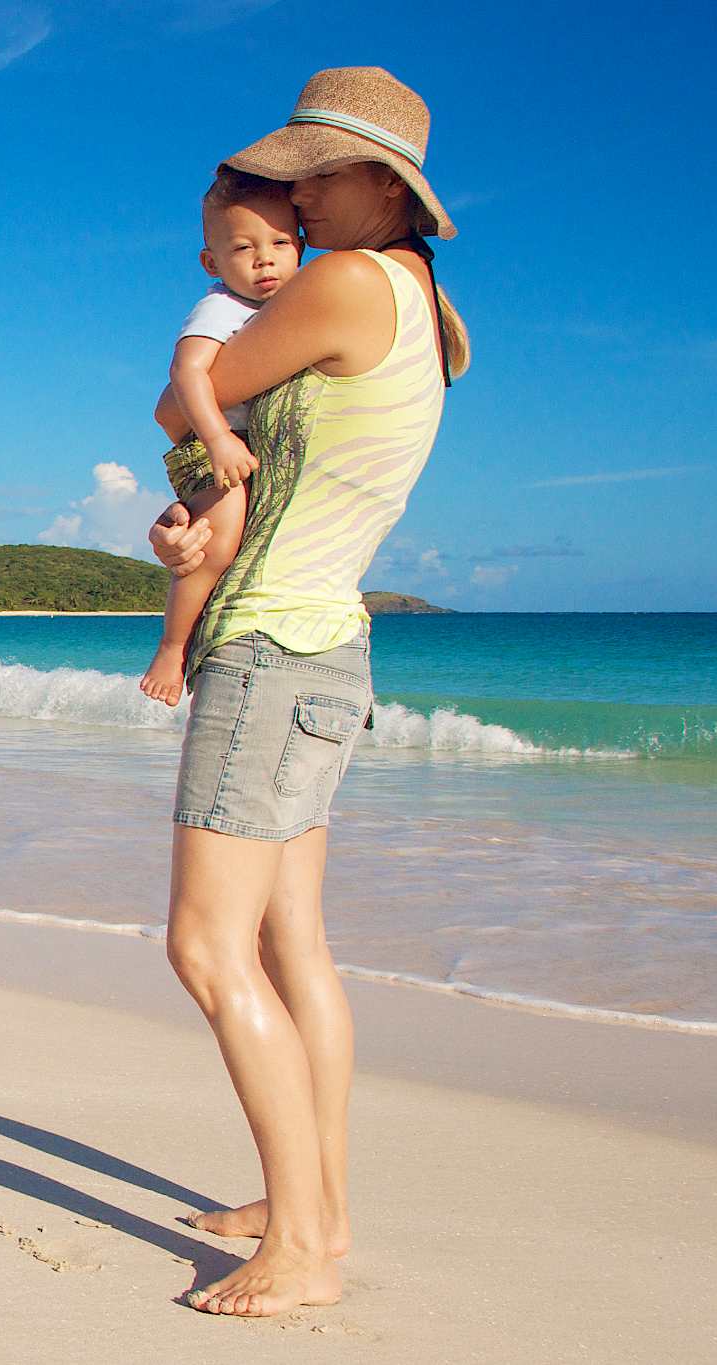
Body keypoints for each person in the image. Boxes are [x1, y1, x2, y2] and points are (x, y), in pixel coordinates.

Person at [145, 66, 471, 1318]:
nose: (293, 193)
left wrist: (189, 434)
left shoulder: (342, 281)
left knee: (204, 945)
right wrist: (196, 524)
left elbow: (183, 400)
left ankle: (304, 1249)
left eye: (311, 173)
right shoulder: (417, 303)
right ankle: (306, 1208)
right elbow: (243, 459)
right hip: (326, 643)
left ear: (382, 184)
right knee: (291, 947)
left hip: (270, 650)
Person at [139, 172, 302, 708]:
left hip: (235, 441)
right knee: (219, 540)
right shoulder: (221, 309)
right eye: (243, 248)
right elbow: (185, 374)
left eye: (280, 243)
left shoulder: (291, 306)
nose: (265, 260)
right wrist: (215, 438)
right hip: (211, 441)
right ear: (213, 263)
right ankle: (172, 647)